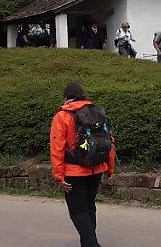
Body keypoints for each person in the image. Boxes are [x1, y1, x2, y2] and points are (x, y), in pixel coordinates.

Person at [50, 82, 116, 247]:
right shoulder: (96, 112)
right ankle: (88, 242)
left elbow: (57, 147)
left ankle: (91, 244)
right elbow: (109, 140)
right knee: (89, 206)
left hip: (74, 172)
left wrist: (59, 176)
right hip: (97, 167)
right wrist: (110, 167)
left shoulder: (62, 116)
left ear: (66, 97)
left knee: (78, 211)